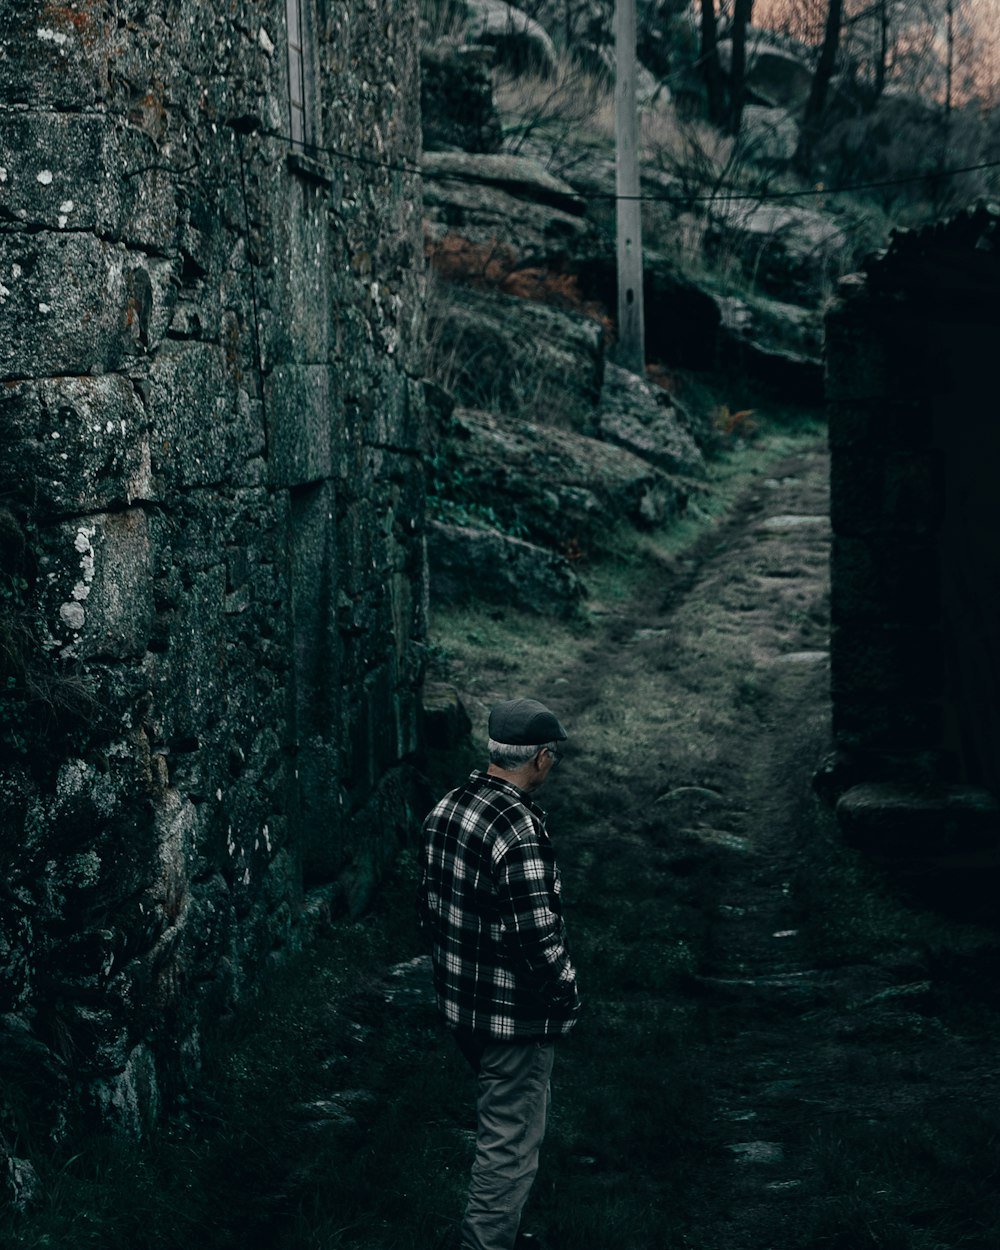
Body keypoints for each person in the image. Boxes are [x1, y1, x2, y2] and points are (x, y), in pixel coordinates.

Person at [419, 697, 581, 1250]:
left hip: (462, 1006)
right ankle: (486, 1243)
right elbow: (536, 937)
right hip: (513, 1017)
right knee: (508, 1143)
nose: (552, 763)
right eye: (550, 755)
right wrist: (566, 996)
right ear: (537, 759)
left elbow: (431, 907)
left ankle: (502, 1232)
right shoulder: (516, 828)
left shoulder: (448, 806)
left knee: (503, 1129)